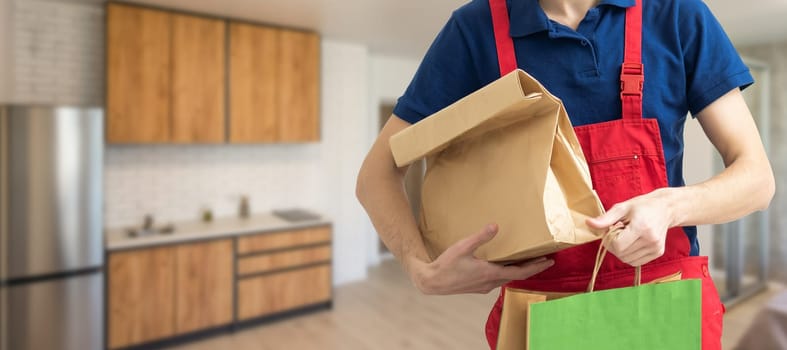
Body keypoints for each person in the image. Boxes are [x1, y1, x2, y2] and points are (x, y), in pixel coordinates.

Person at [355, 0, 775, 348]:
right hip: (540, 317)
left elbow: (756, 178)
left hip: (667, 303)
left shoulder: (676, 14)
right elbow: (377, 175)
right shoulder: (475, 30)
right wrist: (417, 267)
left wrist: (669, 206)